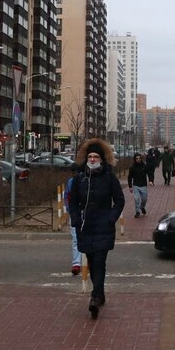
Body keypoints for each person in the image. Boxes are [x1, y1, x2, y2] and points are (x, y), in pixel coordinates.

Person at [67, 137, 124, 319]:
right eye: (90, 156)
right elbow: (72, 201)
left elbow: (119, 200)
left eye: (96, 157)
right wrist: (76, 218)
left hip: (103, 226)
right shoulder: (79, 178)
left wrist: (111, 218)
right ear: (86, 158)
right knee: (91, 263)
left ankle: (95, 298)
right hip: (85, 226)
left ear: (101, 159)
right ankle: (100, 293)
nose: (92, 159)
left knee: (99, 262)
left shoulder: (109, 177)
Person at [62, 177, 82, 276]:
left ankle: (89, 261)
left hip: (90, 214)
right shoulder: (72, 181)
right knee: (76, 239)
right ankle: (76, 263)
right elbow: (66, 195)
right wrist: (70, 210)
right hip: (75, 214)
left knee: (90, 238)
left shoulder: (94, 179)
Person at [127, 153, 149, 218]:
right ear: (135, 159)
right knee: (137, 199)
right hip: (136, 185)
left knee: (144, 199)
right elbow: (129, 177)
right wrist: (130, 186)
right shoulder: (132, 168)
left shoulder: (144, 166)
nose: (138, 159)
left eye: (139, 158)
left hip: (143, 185)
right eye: (137, 158)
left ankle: (142, 207)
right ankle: (137, 212)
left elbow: (149, 173)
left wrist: (151, 180)